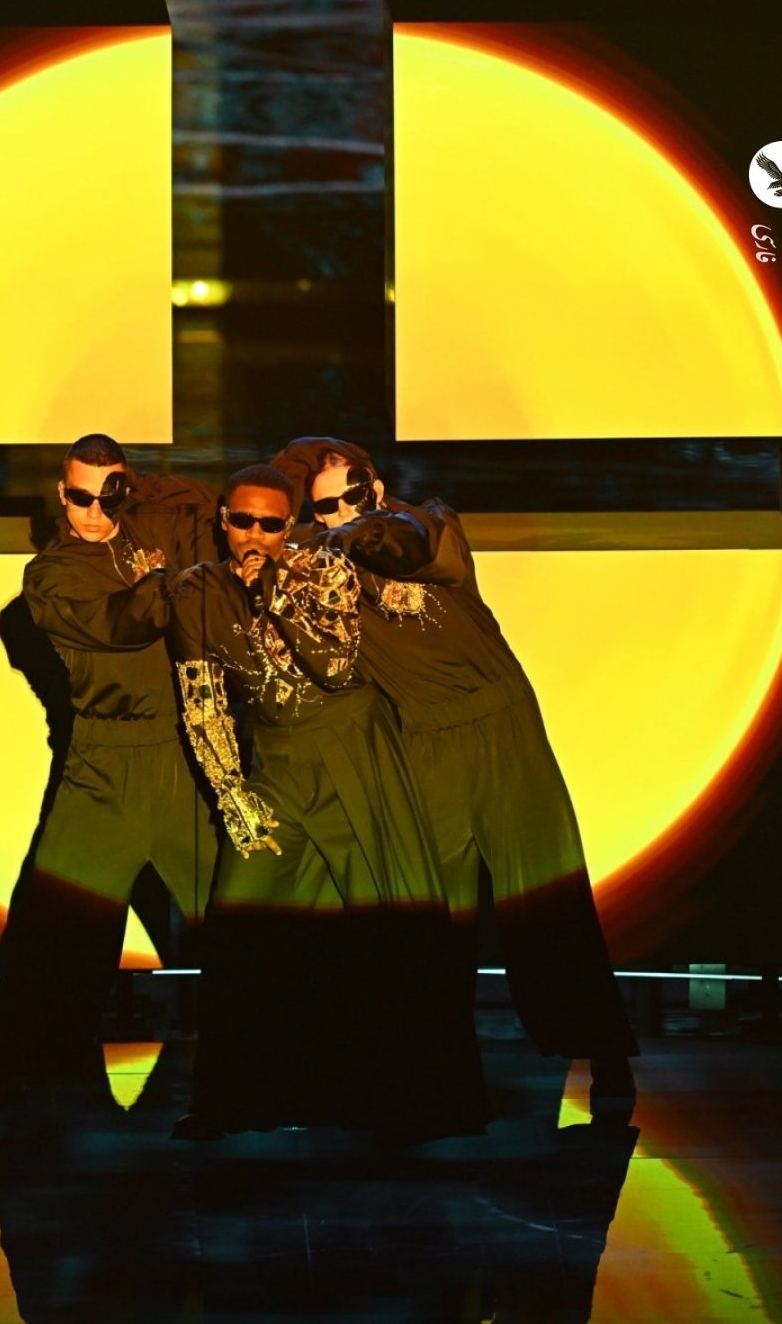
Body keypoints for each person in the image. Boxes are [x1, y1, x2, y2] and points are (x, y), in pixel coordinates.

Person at [272, 437, 637, 1107]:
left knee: (545, 893)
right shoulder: (311, 572)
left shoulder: (430, 524)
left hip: (501, 725)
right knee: (433, 911)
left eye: (356, 493)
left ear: (376, 486)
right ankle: (436, 1069)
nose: (346, 509)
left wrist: (341, 535)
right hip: (423, 737)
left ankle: (603, 1051)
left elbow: (406, 544)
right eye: (326, 505)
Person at [168, 464, 486, 1140]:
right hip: (277, 765)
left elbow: (334, 666)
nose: (255, 536)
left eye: (271, 524)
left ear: (289, 526)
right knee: (241, 923)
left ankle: (410, 1098)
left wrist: (275, 589)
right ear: (224, 521)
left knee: (384, 928)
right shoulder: (198, 591)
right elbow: (202, 699)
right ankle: (230, 1098)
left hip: (355, 750)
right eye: (243, 521)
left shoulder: (322, 569)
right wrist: (230, 792)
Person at [0, 434, 221, 1114]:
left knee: (240, 909)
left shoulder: (146, 529)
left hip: (180, 755)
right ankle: (25, 1064)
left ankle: (290, 1057)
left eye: (111, 495)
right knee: (58, 923)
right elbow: (119, 624)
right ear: (61, 494)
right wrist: (170, 582)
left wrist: (136, 489)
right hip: (102, 763)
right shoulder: (48, 577)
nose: (96, 512)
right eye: (81, 497)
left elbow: (205, 506)